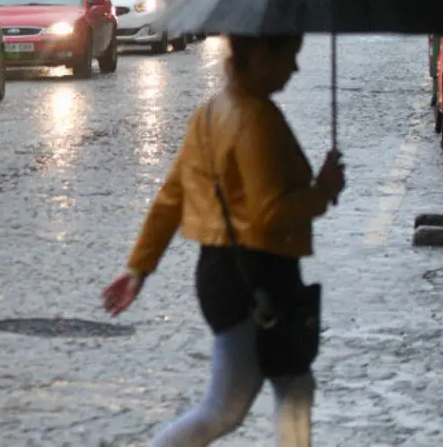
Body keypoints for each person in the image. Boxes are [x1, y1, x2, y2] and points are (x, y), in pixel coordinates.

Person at [101, 34, 346, 447]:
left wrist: (139, 268)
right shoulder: (255, 120)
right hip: (255, 275)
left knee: (293, 385)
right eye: (289, 56)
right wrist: (322, 190)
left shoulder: (211, 113)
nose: (295, 68)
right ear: (259, 55)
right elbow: (268, 211)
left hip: (222, 272)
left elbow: (172, 197)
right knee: (228, 406)